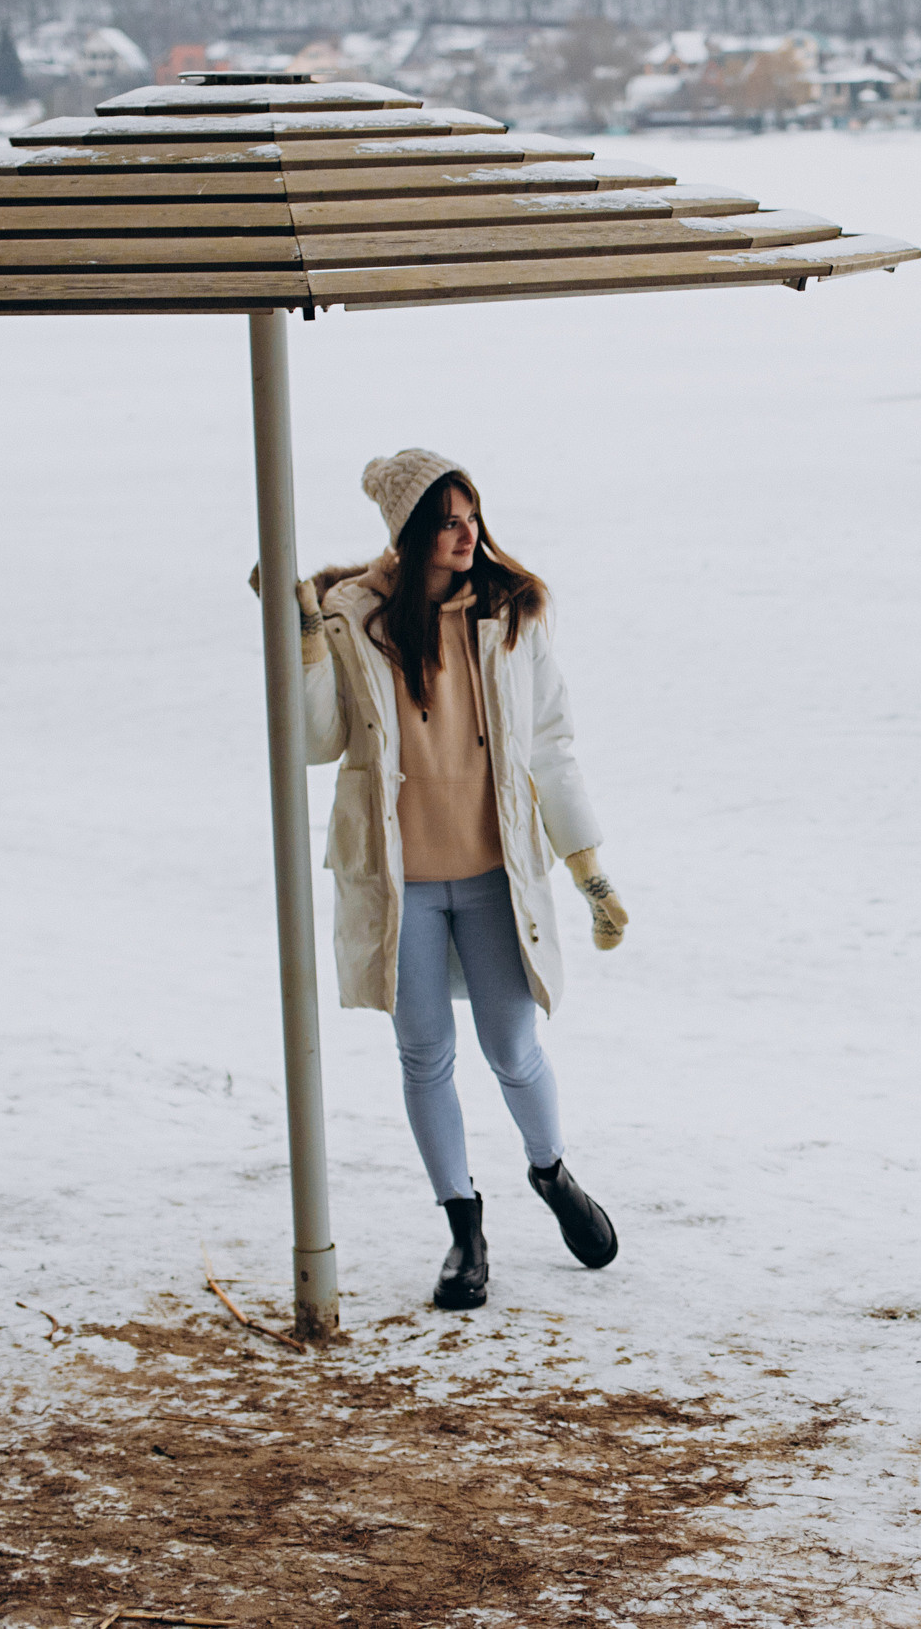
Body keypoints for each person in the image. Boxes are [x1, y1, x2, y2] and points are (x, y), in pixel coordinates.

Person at [296, 448, 631, 1310]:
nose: (466, 532)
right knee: (423, 1056)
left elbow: (551, 747)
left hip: (492, 877)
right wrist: (300, 642)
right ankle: (462, 1227)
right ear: (409, 534)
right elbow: (315, 740)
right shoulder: (353, 618)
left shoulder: (511, 616)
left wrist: (589, 872)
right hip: (400, 883)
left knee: (513, 1049)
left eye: (470, 514)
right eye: (446, 519)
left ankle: (553, 1175)